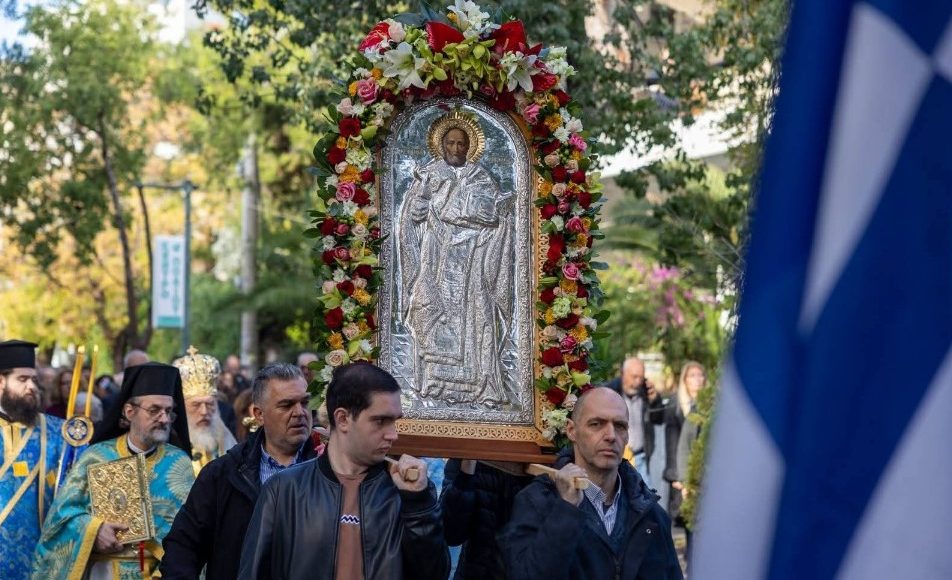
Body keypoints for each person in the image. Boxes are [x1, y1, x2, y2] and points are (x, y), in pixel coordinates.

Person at [238, 362, 449, 580]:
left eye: (394, 421)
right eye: (380, 421)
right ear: (343, 419)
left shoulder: (407, 492)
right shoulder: (284, 489)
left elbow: (434, 574)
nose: (393, 434)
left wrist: (418, 505)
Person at [32, 362, 195, 578]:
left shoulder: (180, 463)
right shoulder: (97, 456)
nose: (164, 419)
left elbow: (190, 535)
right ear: (129, 411)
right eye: (154, 410)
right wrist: (93, 530)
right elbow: (61, 517)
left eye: (168, 411)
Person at [501, 387, 682, 579]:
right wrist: (565, 512)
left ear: (627, 436)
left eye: (620, 426)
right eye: (596, 424)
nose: (611, 435)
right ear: (571, 430)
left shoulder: (651, 515)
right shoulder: (537, 502)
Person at [398, 111, 516, 407]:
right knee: (431, 316)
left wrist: (459, 208)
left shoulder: (480, 177)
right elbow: (412, 216)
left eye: (461, 144)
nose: (455, 149)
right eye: (450, 143)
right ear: (441, 145)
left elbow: (492, 213)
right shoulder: (428, 175)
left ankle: (479, 387)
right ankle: (435, 384)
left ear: (469, 147)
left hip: (473, 263)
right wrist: (422, 206)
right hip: (437, 261)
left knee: (478, 320)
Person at [161, 363, 317, 579]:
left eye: (304, 402)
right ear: (258, 414)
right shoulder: (223, 474)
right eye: (286, 405)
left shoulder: (331, 470)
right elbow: (183, 546)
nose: (300, 413)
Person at [0, 340, 67, 580]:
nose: (31, 387)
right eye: (22, 379)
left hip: (41, 562)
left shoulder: (59, 433)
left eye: (34, 380)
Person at [441, 458, 533, 579]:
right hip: (475, 572)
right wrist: (465, 474)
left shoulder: (547, 452)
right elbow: (451, 535)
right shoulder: (467, 451)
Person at [174, 347, 237, 476]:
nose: (204, 411)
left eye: (210, 404)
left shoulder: (227, 442)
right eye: (195, 405)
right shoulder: (171, 441)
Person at [606, 356, 664, 486]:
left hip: (640, 457)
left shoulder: (647, 392)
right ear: (622, 374)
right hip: (616, 457)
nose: (638, 382)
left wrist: (655, 401)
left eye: (641, 377)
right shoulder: (609, 392)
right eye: (634, 377)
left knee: (645, 500)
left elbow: (659, 419)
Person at [663, 361, 706, 527]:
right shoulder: (676, 406)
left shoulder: (708, 405)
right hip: (681, 472)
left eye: (700, 375)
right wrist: (678, 476)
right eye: (692, 375)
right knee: (687, 522)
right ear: (685, 379)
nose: (697, 379)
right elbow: (672, 442)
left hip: (702, 473)